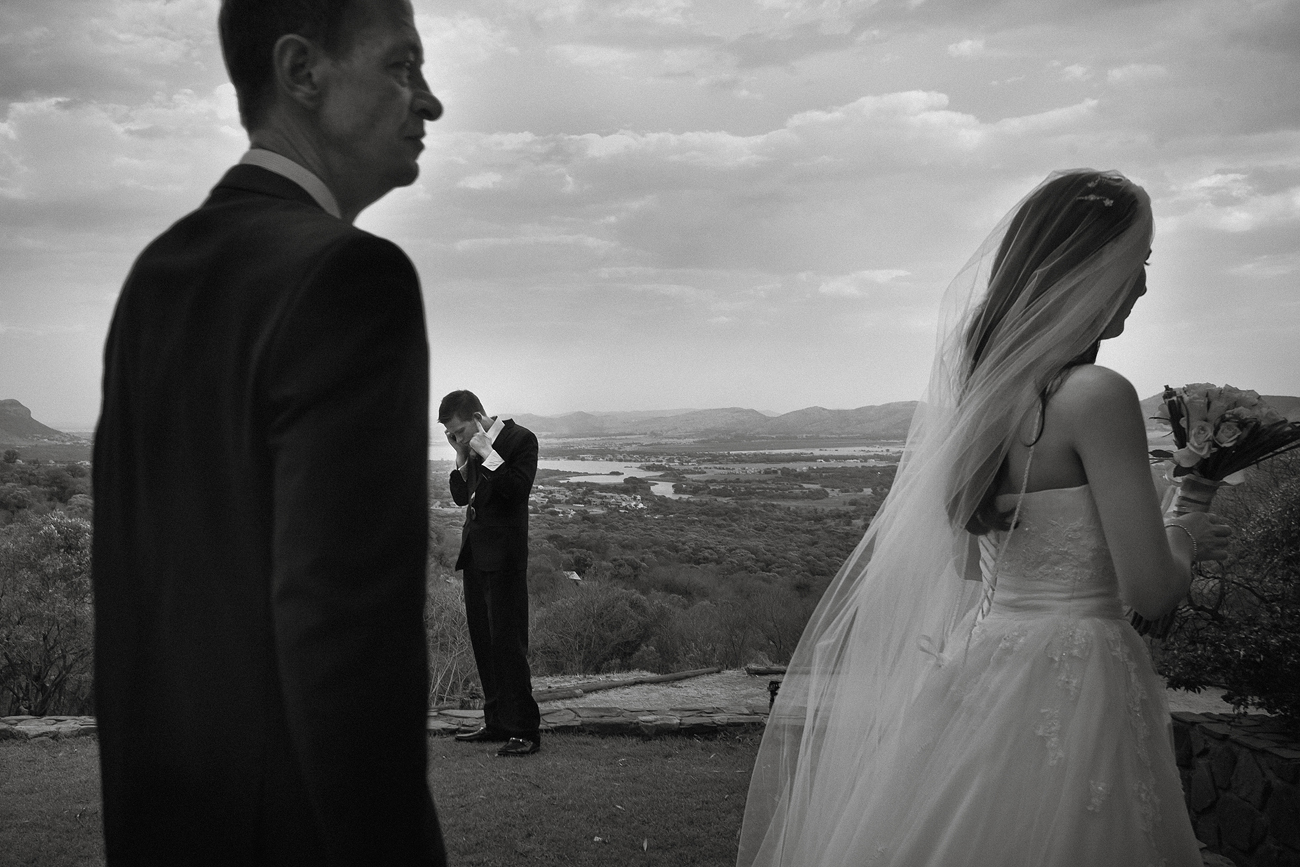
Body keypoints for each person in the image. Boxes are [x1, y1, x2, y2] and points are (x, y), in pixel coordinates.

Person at [737, 170, 1232, 867]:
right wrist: (1189, 524)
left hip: (987, 664)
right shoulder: (1098, 395)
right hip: (1081, 674)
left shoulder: (990, 400)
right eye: (1139, 260)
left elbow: (972, 564)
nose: (1145, 284)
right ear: (1088, 263)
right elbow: (1151, 590)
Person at [91, 0, 447, 862]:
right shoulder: (353, 278)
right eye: (402, 66)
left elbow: (139, 595)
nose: (430, 102)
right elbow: (346, 633)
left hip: (163, 823)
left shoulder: (158, 274)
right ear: (301, 73)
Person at [440, 390, 543, 757]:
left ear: (480, 416)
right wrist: (460, 457)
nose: (458, 438)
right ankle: (497, 720)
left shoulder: (520, 439)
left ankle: (525, 730)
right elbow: (458, 497)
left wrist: (486, 452)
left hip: (505, 557)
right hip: (475, 556)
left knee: (508, 644)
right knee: (484, 643)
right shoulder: (466, 448)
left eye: (461, 431)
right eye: (450, 435)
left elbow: (516, 491)